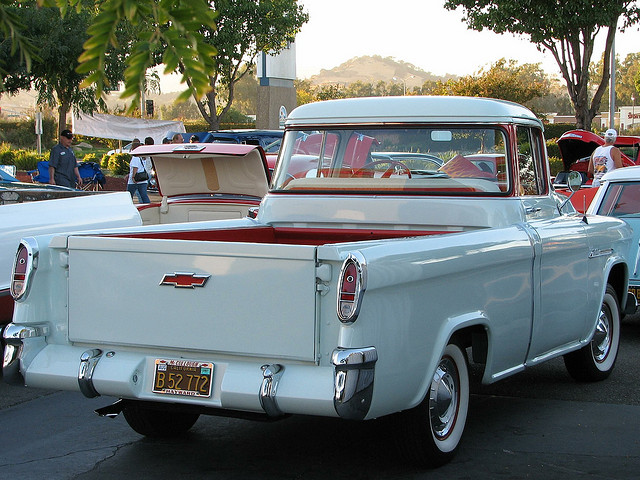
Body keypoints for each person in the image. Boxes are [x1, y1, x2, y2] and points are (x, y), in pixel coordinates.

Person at [127, 138, 150, 204]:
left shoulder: (135, 157)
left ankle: (128, 207)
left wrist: (133, 177)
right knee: (144, 196)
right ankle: (148, 207)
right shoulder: (143, 157)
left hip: (134, 181)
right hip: (143, 180)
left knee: (129, 196)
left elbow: (135, 168)